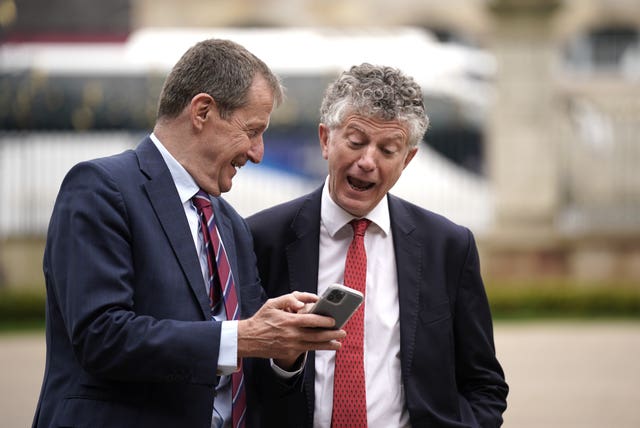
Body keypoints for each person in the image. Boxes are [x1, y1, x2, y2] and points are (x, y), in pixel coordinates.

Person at [32, 38, 345, 428]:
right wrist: (242, 337)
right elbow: (103, 336)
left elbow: (242, 354)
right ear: (202, 111)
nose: (258, 152)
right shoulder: (100, 188)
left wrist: (282, 348)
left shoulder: (229, 223)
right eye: (252, 131)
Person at [246, 63, 508, 427]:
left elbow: (484, 383)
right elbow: (238, 374)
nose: (368, 161)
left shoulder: (448, 246)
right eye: (356, 142)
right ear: (325, 139)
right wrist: (284, 360)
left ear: (407, 159)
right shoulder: (261, 238)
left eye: (388, 149)